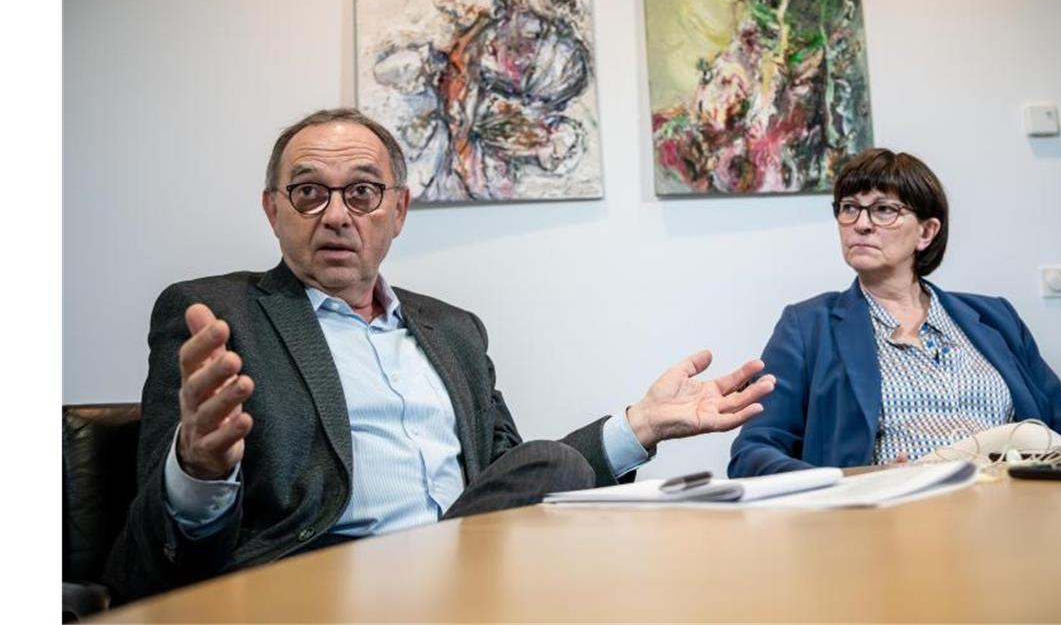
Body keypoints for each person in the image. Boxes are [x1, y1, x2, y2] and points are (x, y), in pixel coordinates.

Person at [103, 108, 776, 602]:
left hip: (476, 588)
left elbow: (517, 480)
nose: (336, 214)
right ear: (273, 210)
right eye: (308, 192)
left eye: (362, 192)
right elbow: (154, 555)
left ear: (398, 211)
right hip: (317, 595)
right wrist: (199, 468)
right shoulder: (217, 317)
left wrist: (642, 426)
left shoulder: (453, 331)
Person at [728, 148, 1061, 477]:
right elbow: (753, 452)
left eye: (883, 210)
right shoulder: (807, 326)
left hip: (1014, 505)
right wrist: (848, 482)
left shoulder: (996, 317)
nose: (861, 224)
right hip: (892, 518)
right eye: (849, 207)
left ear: (926, 232)